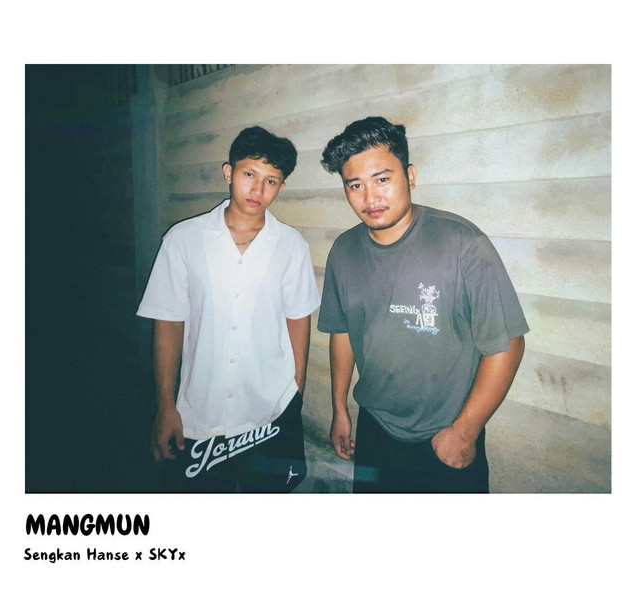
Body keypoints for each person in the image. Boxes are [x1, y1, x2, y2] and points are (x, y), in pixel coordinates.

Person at [317, 116, 529, 493]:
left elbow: (507, 344)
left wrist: (465, 431)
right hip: (374, 429)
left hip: (445, 435)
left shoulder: (462, 244)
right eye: (355, 185)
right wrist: (339, 409)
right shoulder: (344, 252)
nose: (370, 198)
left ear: (410, 176)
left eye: (382, 179)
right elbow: (343, 332)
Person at [137, 126, 320, 492]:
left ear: (281, 187)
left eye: (271, 181)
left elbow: (298, 318)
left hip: (269, 410)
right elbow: (168, 322)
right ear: (229, 173)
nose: (258, 189)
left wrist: (296, 389)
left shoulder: (291, 246)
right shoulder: (182, 240)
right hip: (199, 411)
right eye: (249, 174)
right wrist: (166, 405)